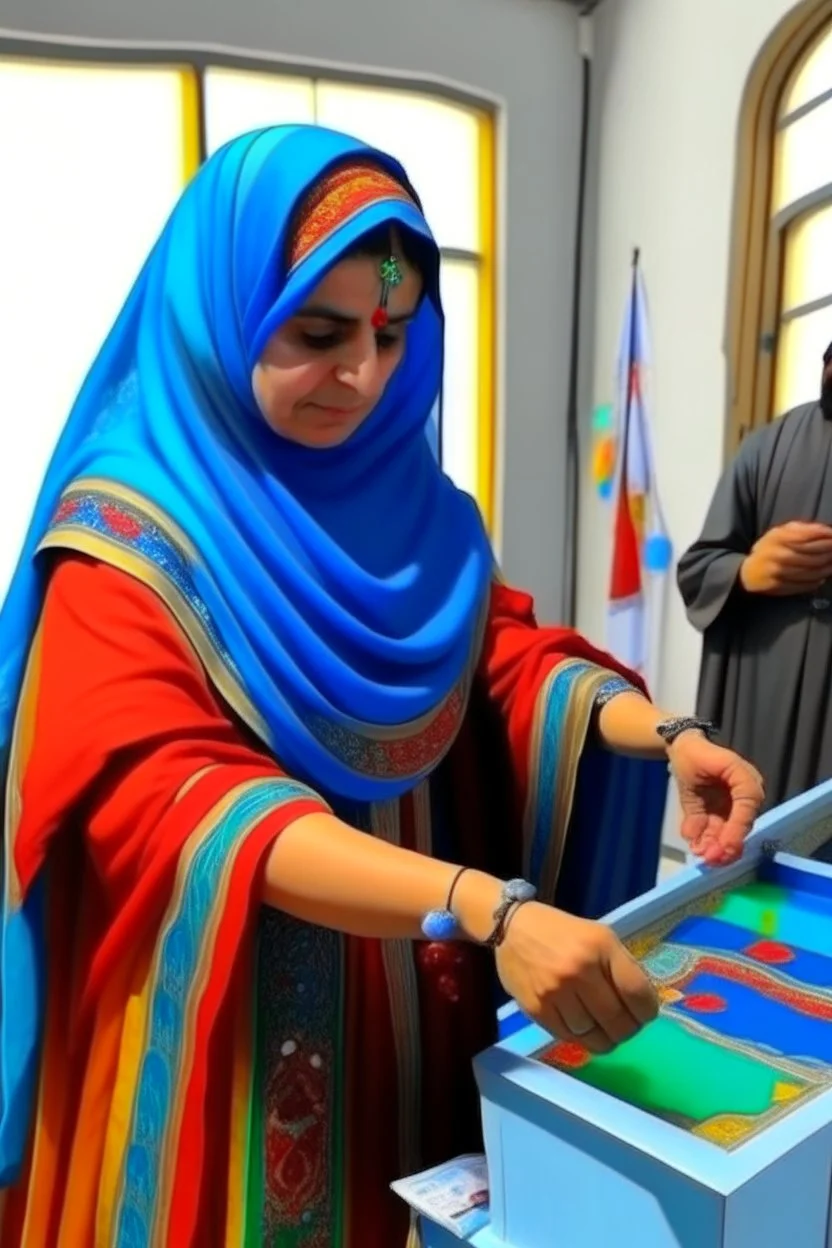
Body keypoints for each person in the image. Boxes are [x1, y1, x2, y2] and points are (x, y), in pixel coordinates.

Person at [0, 126, 763, 1247]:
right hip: (225, 1024)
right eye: (319, 332)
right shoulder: (122, 543)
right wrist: (480, 903)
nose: (362, 373)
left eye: (392, 333)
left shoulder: (414, 502)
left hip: (413, 992)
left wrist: (661, 732)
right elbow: (177, 800)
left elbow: (496, 653)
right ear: (223, 313)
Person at [678, 342, 832, 810]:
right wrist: (746, 571)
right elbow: (698, 570)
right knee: (747, 850)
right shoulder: (768, 447)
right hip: (762, 700)